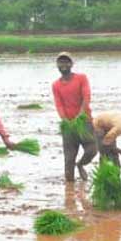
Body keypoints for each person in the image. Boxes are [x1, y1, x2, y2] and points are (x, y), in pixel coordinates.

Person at [52, 52, 97, 181]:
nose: (63, 65)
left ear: (71, 64)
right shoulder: (56, 85)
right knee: (69, 158)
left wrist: (80, 115)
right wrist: (65, 119)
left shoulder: (81, 78)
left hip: (85, 121)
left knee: (92, 150)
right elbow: (59, 104)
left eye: (66, 62)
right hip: (68, 125)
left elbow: (86, 96)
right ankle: (69, 189)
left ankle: (81, 164)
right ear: (57, 65)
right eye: (61, 62)